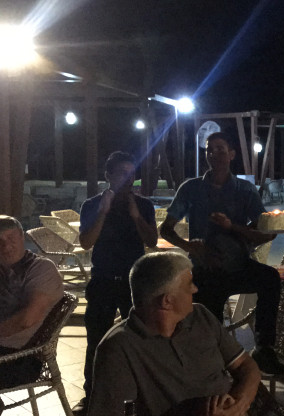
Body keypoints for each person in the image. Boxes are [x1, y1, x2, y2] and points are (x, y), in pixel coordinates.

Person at [160, 132, 284, 374]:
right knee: (209, 331)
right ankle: (212, 369)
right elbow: (166, 229)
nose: (214, 154)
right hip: (205, 270)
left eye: (220, 149)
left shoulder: (245, 190)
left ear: (232, 154)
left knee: (270, 278)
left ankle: (264, 349)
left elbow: (266, 233)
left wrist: (232, 227)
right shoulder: (191, 188)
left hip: (239, 266)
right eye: (209, 150)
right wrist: (190, 246)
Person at [88, 252, 262, 416]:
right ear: (167, 301)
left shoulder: (200, 316)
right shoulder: (119, 347)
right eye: (189, 285)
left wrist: (239, 404)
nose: (195, 289)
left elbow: (245, 365)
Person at [75, 151, 158, 415]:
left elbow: (152, 241)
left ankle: (143, 394)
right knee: (96, 340)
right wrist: (103, 211)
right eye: (122, 173)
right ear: (108, 176)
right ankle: (91, 395)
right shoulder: (92, 204)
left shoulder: (143, 205)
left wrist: (136, 216)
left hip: (135, 283)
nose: (129, 178)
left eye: (131, 173)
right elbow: (86, 242)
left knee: (140, 339)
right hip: (103, 280)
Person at [0, 216, 64, 395]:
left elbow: (27, 319)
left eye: (11, 238)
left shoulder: (41, 268)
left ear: (22, 237)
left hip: (21, 358)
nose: (5, 246)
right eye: (0, 241)